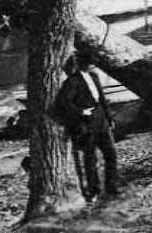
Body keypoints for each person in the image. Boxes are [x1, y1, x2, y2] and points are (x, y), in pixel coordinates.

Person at [57, 50, 118, 201]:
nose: (91, 65)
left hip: (101, 122)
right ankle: (94, 190)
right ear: (80, 63)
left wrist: (109, 118)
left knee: (111, 154)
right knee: (90, 159)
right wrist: (81, 112)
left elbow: (102, 99)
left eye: (92, 63)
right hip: (87, 124)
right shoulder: (72, 81)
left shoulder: (94, 76)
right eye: (88, 63)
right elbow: (63, 102)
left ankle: (111, 187)